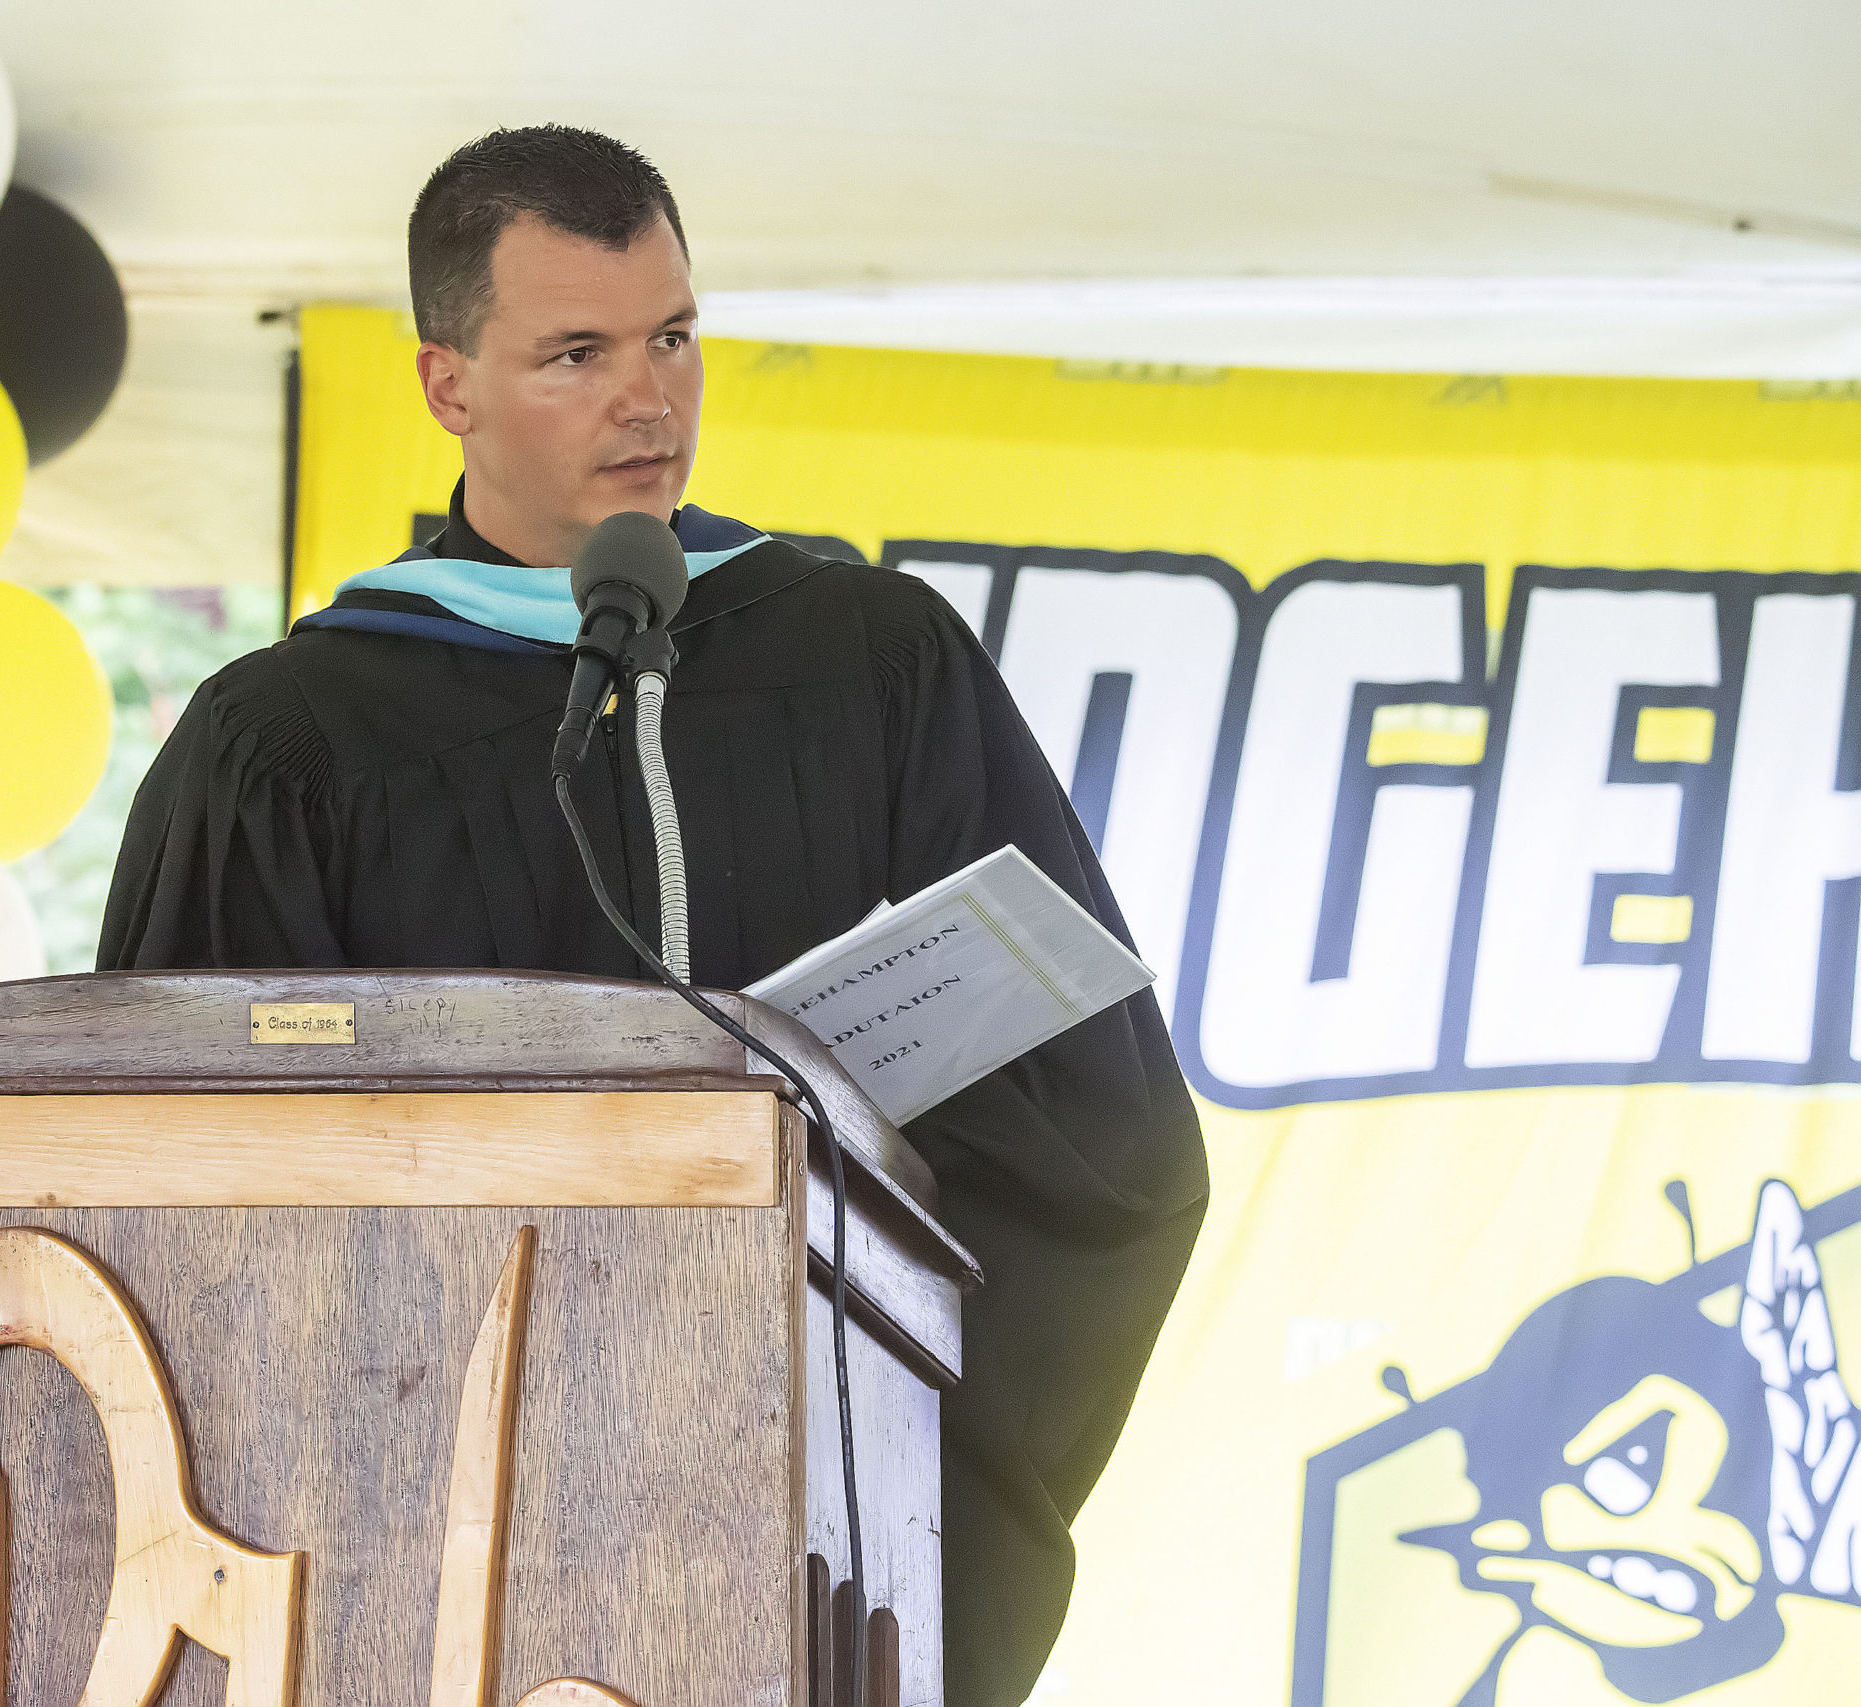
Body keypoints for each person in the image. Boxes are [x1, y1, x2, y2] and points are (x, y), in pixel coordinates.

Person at [100, 124, 1207, 1704]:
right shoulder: (294, 743)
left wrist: (884, 1435)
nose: (650, 397)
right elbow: (176, 1188)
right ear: (446, 385)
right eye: (577, 352)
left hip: (811, 1522)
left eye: (673, 336)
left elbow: (1097, 1129)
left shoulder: (872, 662)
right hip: (436, 1565)